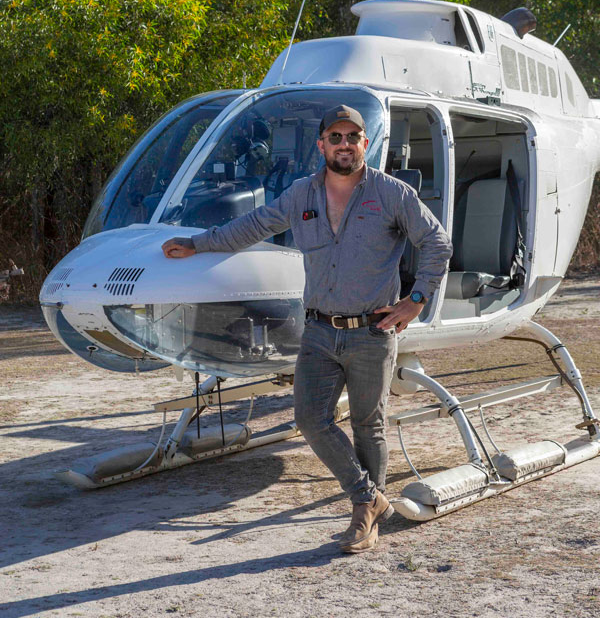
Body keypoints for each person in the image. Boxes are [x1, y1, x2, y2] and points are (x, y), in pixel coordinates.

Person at [162, 104, 452, 553]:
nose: (343, 145)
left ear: (365, 144)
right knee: (309, 419)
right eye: (334, 137)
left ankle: (364, 520)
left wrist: (415, 301)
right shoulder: (301, 194)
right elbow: (252, 226)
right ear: (321, 145)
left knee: (367, 424)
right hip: (318, 330)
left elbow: (436, 242)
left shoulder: (391, 194)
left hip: (372, 331)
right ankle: (369, 498)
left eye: (352, 137)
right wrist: (198, 244)